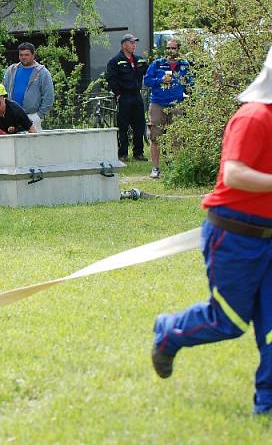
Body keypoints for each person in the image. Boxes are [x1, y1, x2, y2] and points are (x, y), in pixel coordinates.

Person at [151, 46, 272, 416]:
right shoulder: (254, 117)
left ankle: (266, 404)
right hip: (234, 236)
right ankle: (170, 331)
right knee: (230, 321)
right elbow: (234, 174)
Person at [143, 38, 192, 179]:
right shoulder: (157, 64)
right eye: (168, 48)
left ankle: (177, 168)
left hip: (176, 105)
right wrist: (160, 81)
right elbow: (147, 80)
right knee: (155, 137)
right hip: (158, 104)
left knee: (177, 138)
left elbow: (190, 83)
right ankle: (155, 168)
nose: (170, 51)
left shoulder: (184, 65)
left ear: (178, 49)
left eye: (173, 48)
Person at [106, 33, 149, 162]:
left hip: (136, 96)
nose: (134, 45)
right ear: (124, 44)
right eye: (131, 43)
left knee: (139, 125)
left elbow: (148, 71)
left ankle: (138, 153)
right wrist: (117, 93)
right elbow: (111, 79)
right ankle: (123, 153)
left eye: (135, 43)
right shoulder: (115, 61)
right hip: (124, 96)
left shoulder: (139, 60)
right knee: (123, 126)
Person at [1, 42, 55, 132]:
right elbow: (3, 91)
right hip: (12, 116)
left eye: (26, 55)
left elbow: (49, 96)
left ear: (33, 55)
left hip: (32, 116)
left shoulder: (42, 72)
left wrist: (39, 115)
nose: (23, 57)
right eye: (21, 55)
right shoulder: (11, 70)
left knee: (34, 145)